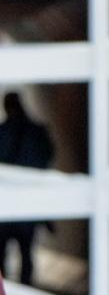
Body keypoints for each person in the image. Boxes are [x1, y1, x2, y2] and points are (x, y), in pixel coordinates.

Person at [0, 92, 54, 286]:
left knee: (3, 254)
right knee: (26, 251)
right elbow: (47, 159)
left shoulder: (3, 132)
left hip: (6, 203)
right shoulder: (37, 132)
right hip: (29, 203)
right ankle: (26, 285)